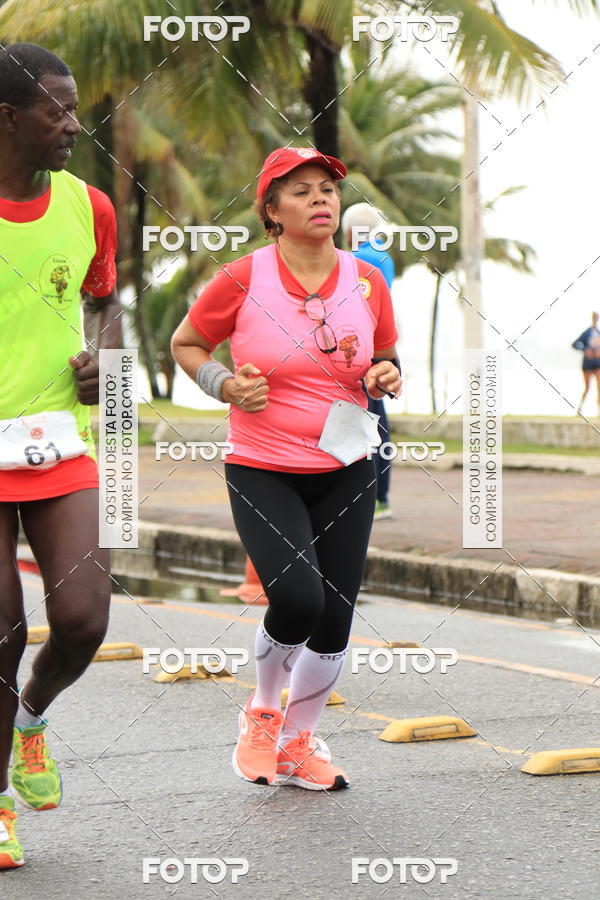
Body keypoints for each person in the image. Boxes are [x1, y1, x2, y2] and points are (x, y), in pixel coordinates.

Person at [172, 146, 401, 791]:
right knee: (298, 600)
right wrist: (222, 384)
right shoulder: (244, 277)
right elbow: (186, 344)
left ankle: (300, 743)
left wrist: (386, 374)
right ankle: (263, 715)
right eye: (299, 191)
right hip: (264, 465)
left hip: (348, 463)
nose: (320, 199)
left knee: (335, 616)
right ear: (271, 210)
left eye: (326, 188)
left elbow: (384, 358)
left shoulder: (366, 280)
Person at [0, 44, 121, 868]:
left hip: (49, 442)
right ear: (9, 118)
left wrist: (101, 364)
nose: (74, 124)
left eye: (74, 108)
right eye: (58, 110)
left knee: (82, 620)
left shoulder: (89, 206)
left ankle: (30, 720)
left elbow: (106, 302)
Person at [342, 202, 396, 519]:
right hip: (381, 347)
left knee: (366, 423)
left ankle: (371, 498)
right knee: (377, 421)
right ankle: (381, 496)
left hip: (365, 348)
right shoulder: (383, 256)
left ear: (350, 232)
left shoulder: (357, 260)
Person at [572, 312, 600, 416]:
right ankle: (580, 408)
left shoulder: (598, 332)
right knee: (587, 388)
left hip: (597, 363)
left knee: (599, 388)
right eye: (594, 317)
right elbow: (574, 344)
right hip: (587, 363)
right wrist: (585, 349)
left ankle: (598, 411)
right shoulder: (586, 333)